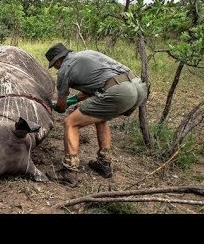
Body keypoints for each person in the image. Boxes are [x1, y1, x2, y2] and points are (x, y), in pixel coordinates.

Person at [45, 42, 147, 187]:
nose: (55, 68)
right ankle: (104, 163)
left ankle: (69, 171)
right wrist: (73, 100)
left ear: (58, 61)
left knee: (70, 122)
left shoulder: (64, 69)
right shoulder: (87, 54)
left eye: (53, 65)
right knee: (101, 117)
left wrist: (56, 105)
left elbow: (61, 107)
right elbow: (96, 85)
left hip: (120, 92)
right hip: (138, 88)